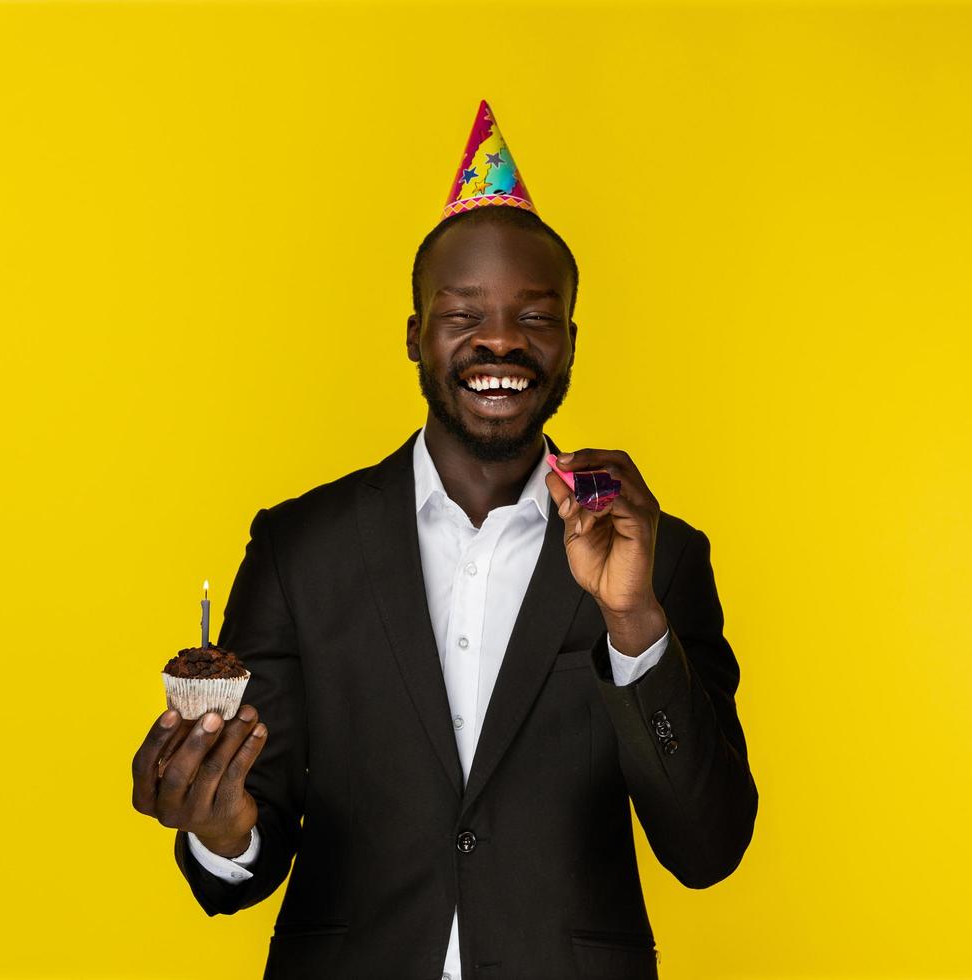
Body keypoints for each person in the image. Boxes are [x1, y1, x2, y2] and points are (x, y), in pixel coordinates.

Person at [130, 100, 758, 980]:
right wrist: (220, 823)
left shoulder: (657, 558)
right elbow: (246, 851)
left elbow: (708, 845)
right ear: (415, 336)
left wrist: (633, 625)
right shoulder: (298, 548)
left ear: (570, 345)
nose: (500, 339)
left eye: (535, 318)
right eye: (463, 314)